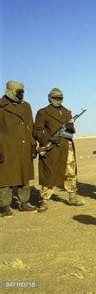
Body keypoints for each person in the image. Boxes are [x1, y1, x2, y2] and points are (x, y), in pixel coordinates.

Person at [33, 88, 85, 212]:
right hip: (52, 147)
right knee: (49, 173)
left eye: (60, 98)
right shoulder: (43, 112)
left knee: (70, 172)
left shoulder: (67, 112)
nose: (58, 100)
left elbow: (72, 131)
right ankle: (44, 200)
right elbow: (37, 131)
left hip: (67, 147)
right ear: (50, 98)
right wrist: (49, 139)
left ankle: (72, 197)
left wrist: (70, 127)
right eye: (55, 98)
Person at [0, 81, 37, 217]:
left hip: (24, 147)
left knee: (24, 176)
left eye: (22, 92)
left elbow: (30, 127)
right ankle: (4, 206)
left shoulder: (26, 106)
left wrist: (33, 145)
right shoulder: (1, 106)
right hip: (6, 147)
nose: (21, 95)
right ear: (10, 91)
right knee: (5, 179)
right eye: (18, 92)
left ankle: (24, 203)